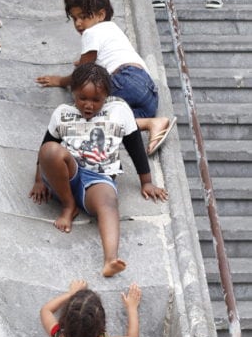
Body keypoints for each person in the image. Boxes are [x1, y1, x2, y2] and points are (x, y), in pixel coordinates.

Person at [29, 62, 167, 277]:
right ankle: (68, 206)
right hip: (67, 173)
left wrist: (146, 181)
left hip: (99, 178)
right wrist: (39, 180)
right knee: (51, 151)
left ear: (107, 97)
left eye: (96, 100)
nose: (89, 105)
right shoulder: (62, 113)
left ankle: (110, 259)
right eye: (82, 98)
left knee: (109, 204)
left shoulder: (119, 110)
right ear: (73, 92)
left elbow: (135, 146)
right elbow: (44, 148)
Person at [35, 0, 176, 156]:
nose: (78, 23)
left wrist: (61, 81)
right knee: (109, 121)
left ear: (101, 15)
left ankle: (148, 125)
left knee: (87, 110)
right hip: (148, 92)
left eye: (83, 17)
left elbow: (84, 73)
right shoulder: (112, 28)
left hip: (124, 81)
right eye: (74, 19)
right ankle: (152, 122)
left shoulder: (91, 32)